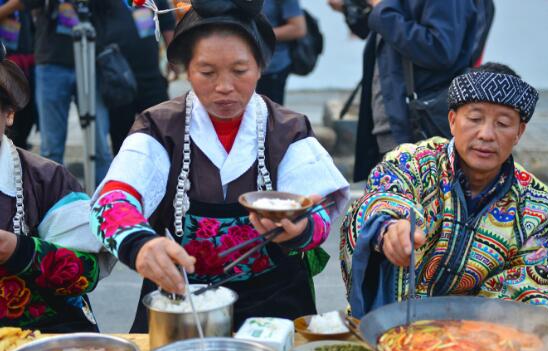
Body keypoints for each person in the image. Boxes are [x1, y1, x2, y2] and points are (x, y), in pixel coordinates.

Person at [90, 0, 349, 332]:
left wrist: (302, 229)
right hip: (182, 298)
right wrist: (139, 244)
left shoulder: (287, 129)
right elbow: (112, 199)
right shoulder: (159, 127)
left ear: (260, 67)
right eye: (207, 72)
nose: (224, 86)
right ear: (186, 70)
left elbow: (317, 210)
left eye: (239, 71)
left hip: (273, 301)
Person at [340, 63, 548, 317]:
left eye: (502, 123)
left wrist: (460, 331)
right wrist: (389, 229)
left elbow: (531, 284)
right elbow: (384, 196)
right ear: (453, 121)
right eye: (475, 119)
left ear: (519, 132)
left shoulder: (537, 204)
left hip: (478, 340)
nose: (487, 134)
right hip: (392, 326)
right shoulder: (414, 162)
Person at [0, 43, 111, 332]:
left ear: (9, 114)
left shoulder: (46, 179)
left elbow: (90, 271)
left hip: (47, 345)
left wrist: (20, 251)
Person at [327, 0, 483, 182]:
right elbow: (382, 32)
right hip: (392, 122)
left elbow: (440, 50)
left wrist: (379, 5)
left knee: (420, 204)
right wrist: (349, 7)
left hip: (417, 124)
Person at [13, 0, 113, 184]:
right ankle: (52, 204)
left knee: (99, 146)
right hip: (51, 62)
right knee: (51, 149)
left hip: (92, 59)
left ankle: (105, 205)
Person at [103, 0, 175, 155]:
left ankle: (166, 173)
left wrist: (173, 57)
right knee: (121, 139)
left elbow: (167, 24)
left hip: (151, 77)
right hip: (118, 80)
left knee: (164, 130)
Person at [0, 0, 36, 150]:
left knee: (28, 113)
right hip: (4, 64)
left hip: (27, 61)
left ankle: (19, 154)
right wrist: (14, 5)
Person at [255, 0, 306, 105]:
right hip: (244, 65)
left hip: (273, 67)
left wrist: (255, 34)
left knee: (271, 116)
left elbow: (298, 28)